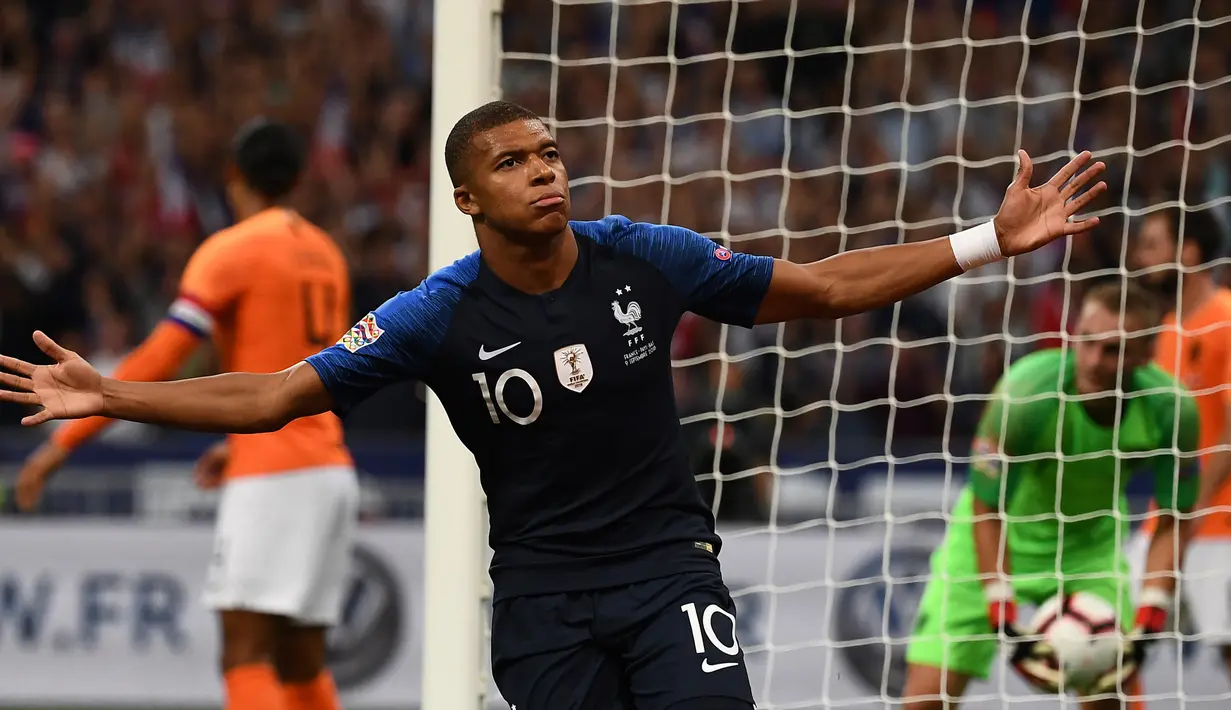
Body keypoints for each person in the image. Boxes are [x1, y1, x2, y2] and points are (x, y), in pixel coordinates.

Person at [0, 101, 1105, 710]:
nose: (545, 171)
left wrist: (982, 242)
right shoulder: (435, 312)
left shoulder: (644, 257)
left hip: (669, 567)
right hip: (541, 596)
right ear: (467, 196)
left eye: (551, 153)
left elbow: (818, 286)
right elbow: (275, 390)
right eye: (514, 160)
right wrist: (112, 390)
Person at [11, 119, 356, 710]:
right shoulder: (326, 254)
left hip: (275, 477)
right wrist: (236, 443)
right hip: (328, 467)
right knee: (301, 662)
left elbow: (157, 360)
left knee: (243, 655)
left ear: (233, 177)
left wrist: (61, 446)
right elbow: (318, 372)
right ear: (298, 179)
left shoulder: (232, 250)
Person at [901, 281, 1200, 710]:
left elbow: (1174, 517)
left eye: (1115, 350)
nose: (1095, 361)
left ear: (1147, 353)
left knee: (1108, 696)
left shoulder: (1172, 411)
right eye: (1088, 343)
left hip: (1088, 548)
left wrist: (1153, 609)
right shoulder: (1024, 394)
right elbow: (987, 506)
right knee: (926, 700)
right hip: (993, 540)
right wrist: (1001, 611)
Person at [1128, 206, 1231, 679]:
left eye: (1151, 245)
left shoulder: (1225, 317)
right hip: (1164, 523)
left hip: (1220, 526)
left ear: (1187, 252)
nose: (1138, 256)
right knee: (1113, 640)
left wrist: (1192, 510)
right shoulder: (1167, 329)